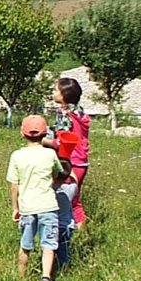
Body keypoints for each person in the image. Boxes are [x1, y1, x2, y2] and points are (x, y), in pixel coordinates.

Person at [7, 114, 64, 281]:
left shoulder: (17, 156)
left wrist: (15, 208)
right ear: (45, 134)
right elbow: (57, 175)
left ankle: (21, 277)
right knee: (48, 245)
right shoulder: (50, 155)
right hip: (49, 206)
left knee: (25, 245)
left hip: (27, 208)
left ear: (22, 133)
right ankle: (46, 277)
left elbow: (14, 185)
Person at [47, 77, 91, 226]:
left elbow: (61, 142)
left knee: (61, 199)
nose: (53, 92)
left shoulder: (64, 114)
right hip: (82, 162)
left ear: (63, 94)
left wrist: (42, 141)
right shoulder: (79, 112)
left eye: (55, 89)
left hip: (69, 162)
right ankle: (82, 233)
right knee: (75, 201)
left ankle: (61, 235)